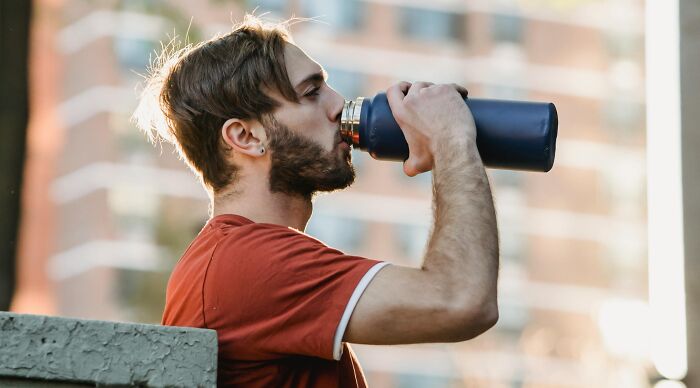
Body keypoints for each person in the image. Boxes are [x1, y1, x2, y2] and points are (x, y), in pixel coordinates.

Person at [133, 14, 499, 388]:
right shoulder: (249, 262)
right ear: (244, 136)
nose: (339, 103)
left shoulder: (242, 257)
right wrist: (451, 139)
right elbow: (462, 301)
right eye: (311, 93)